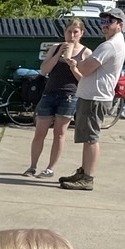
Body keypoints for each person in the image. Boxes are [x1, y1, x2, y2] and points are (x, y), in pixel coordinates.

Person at [58, 9, 125, 191]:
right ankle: (84, 171)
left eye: (110, 21)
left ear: (119, 25)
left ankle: (88, 178)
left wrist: (75, 62)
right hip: (93, 95)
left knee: (91, 139)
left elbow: (87, 69)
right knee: (88, 137)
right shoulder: (113, 43)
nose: (105, 25)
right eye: (103, 21)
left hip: (96, 97)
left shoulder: (110, 45)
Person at [25, 19, 90, 177]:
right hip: (49, 93)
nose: (72, 35)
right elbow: (43, 70)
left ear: (81, 34)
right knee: (40, 131)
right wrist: (58, 55)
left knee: (59, 133)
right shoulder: (55, 48)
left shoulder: (86, 52)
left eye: (76, 32)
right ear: (64, 32)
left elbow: (84, 79)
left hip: (69, 95)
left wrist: (73, 66)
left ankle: (50, 168)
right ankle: (32, 166)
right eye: (69, 31)